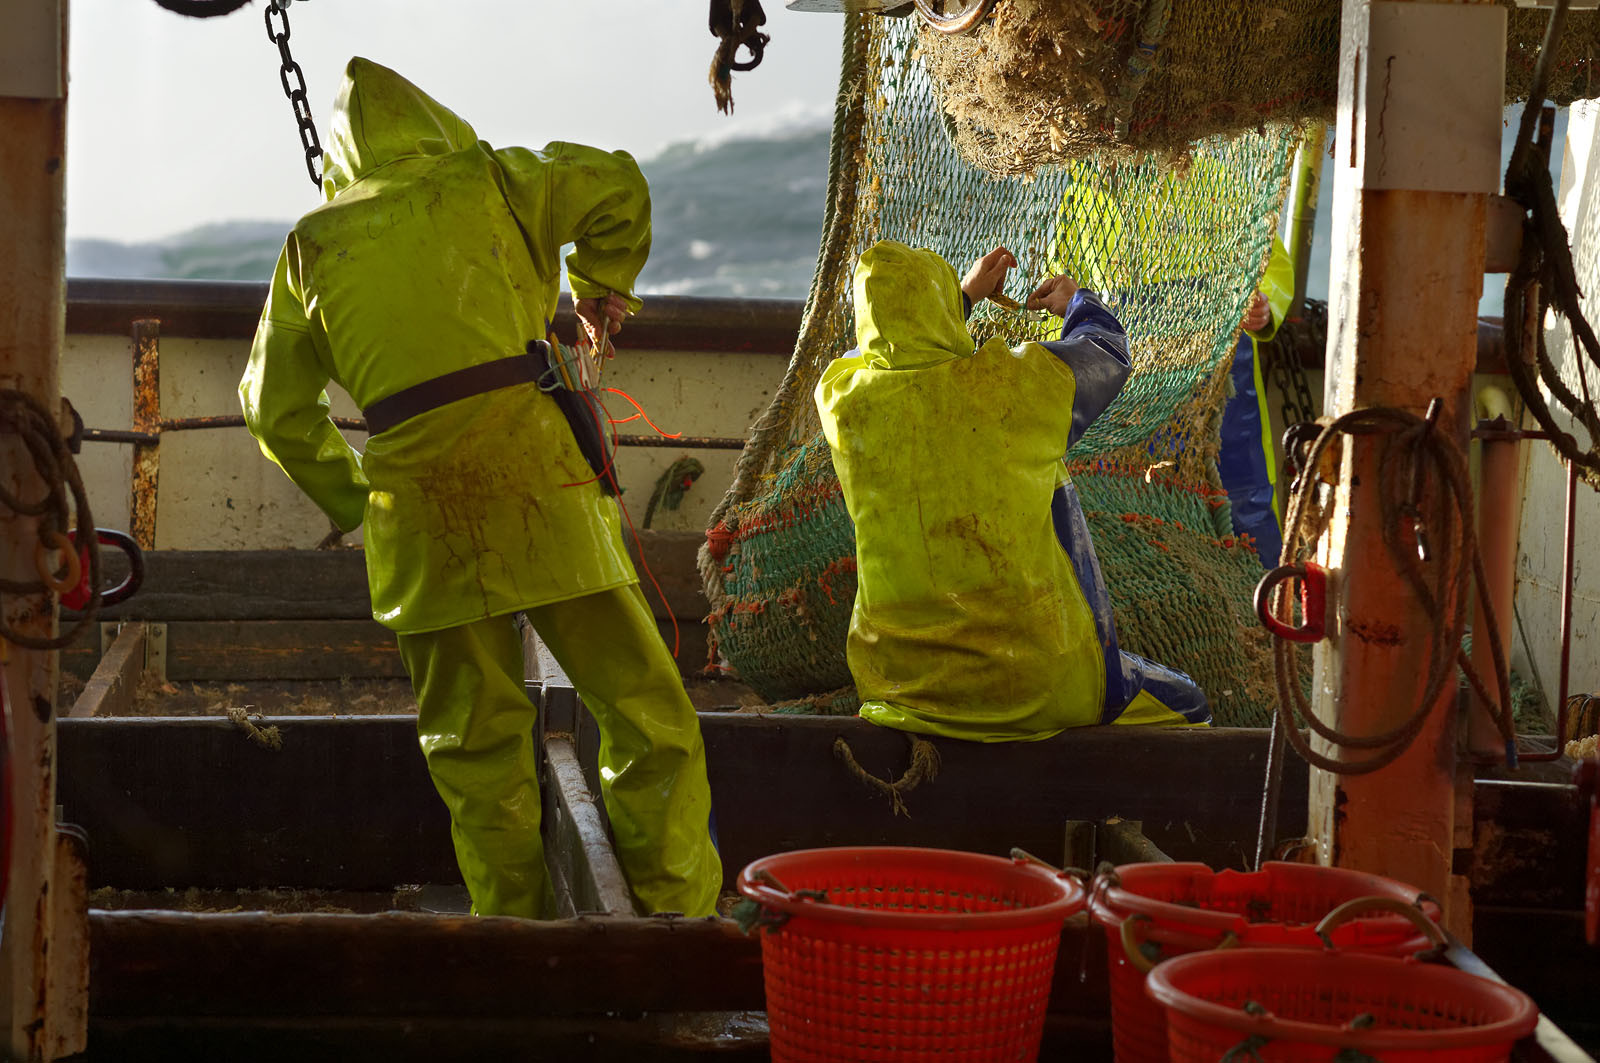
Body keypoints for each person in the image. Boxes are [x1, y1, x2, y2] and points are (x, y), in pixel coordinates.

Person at [239, 57, 720, 919]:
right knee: (648, 716)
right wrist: (603, 287)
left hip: (422, 521)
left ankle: (511, 939)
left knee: (476, 749)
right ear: (432, 120)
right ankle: (680, 919)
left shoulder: (310, 244)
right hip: (542, 493)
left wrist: (360, 504)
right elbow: (617, 185)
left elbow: (273, 412)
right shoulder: (494, 176)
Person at [814, 240, 1210, 741]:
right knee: (1192, 706)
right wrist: (1077, 303)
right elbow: (1106, 354)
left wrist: (960, 296)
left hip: (897, 687)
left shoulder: (840, 400)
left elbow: (880, 348)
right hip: (1039, 684)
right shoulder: (1010, 385)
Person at [1219, 236, 1294, 567]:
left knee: (1246, 522)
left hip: (1229, 415)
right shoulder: (1091, 193)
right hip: (1127, 410)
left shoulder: (1221, 187)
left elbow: (1273, 264)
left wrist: (1266, 303)